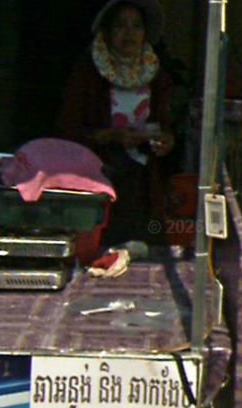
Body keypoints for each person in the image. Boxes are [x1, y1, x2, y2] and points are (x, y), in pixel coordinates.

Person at [58, 0, 175, 245]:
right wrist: (111, 136)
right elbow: (69, 129)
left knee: (143, 247)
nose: (129, 33)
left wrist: (165, 142)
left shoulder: (157, 74)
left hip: (142, 183)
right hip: (98, 176)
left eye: (136, 26)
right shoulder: (87, 73)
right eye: (121, 25)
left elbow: (166, 127)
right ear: (108, 32)